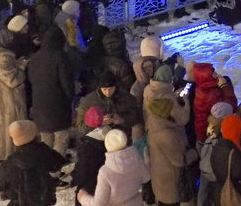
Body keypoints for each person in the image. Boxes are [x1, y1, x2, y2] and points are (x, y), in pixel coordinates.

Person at [144, 64, 194, 206]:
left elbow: (162, 103)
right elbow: (180, 160)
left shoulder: (153, 117)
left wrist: (173, 96)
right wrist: (194, 153)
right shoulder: (166, 134)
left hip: (159, 179)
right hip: (170, 185)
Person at [0, 120, 66, 206]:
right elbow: (59, 162)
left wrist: (9, 189)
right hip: (44, 201)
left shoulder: (10, 163)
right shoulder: (43, 151)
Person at [0, 17, 30, 163]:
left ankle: (0, 153)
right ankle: (9, 154)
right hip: (7, 98)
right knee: (11, 127)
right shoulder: (3, 57)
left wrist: (15, 63)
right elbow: (12, 80)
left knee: (0, 128)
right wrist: (21, 67)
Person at [28, 26, 75, 156]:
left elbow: (31, 79)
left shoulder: (34, 58)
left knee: (46, 140)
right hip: (58, 103)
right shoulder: (61, 57)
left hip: (39, 103)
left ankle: (46, 164)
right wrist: (71, 98)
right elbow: (67, 82)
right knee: (61, 138)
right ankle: (56, 165)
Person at [77, 129, 150, 206]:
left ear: (107, 145)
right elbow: (146, 177)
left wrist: (82, 197)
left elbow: (98, 204)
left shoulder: (105, 172)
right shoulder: (136, 160)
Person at [78, 70, 142, 137]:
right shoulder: (89, 101)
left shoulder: (126, 97)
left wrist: (122, 120)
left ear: (115, 87)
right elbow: (80, 127)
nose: (108, 93)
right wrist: (97, 122)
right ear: (100, 88)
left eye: (111, 89)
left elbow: (137, 117)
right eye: (105, 89)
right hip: (97, 137)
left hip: (120, 135)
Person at [210, 114, 241, 206]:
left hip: (220, 194)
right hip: (234, 196)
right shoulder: (234, 153)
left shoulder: (217, 147)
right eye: (240, 130)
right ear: (235, 131)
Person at [71, 107, 108, 199]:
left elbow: (82, 166)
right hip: (107, 180)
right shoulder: (111, 136)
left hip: (91, 183)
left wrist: (76, 178)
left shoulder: (86, 144)